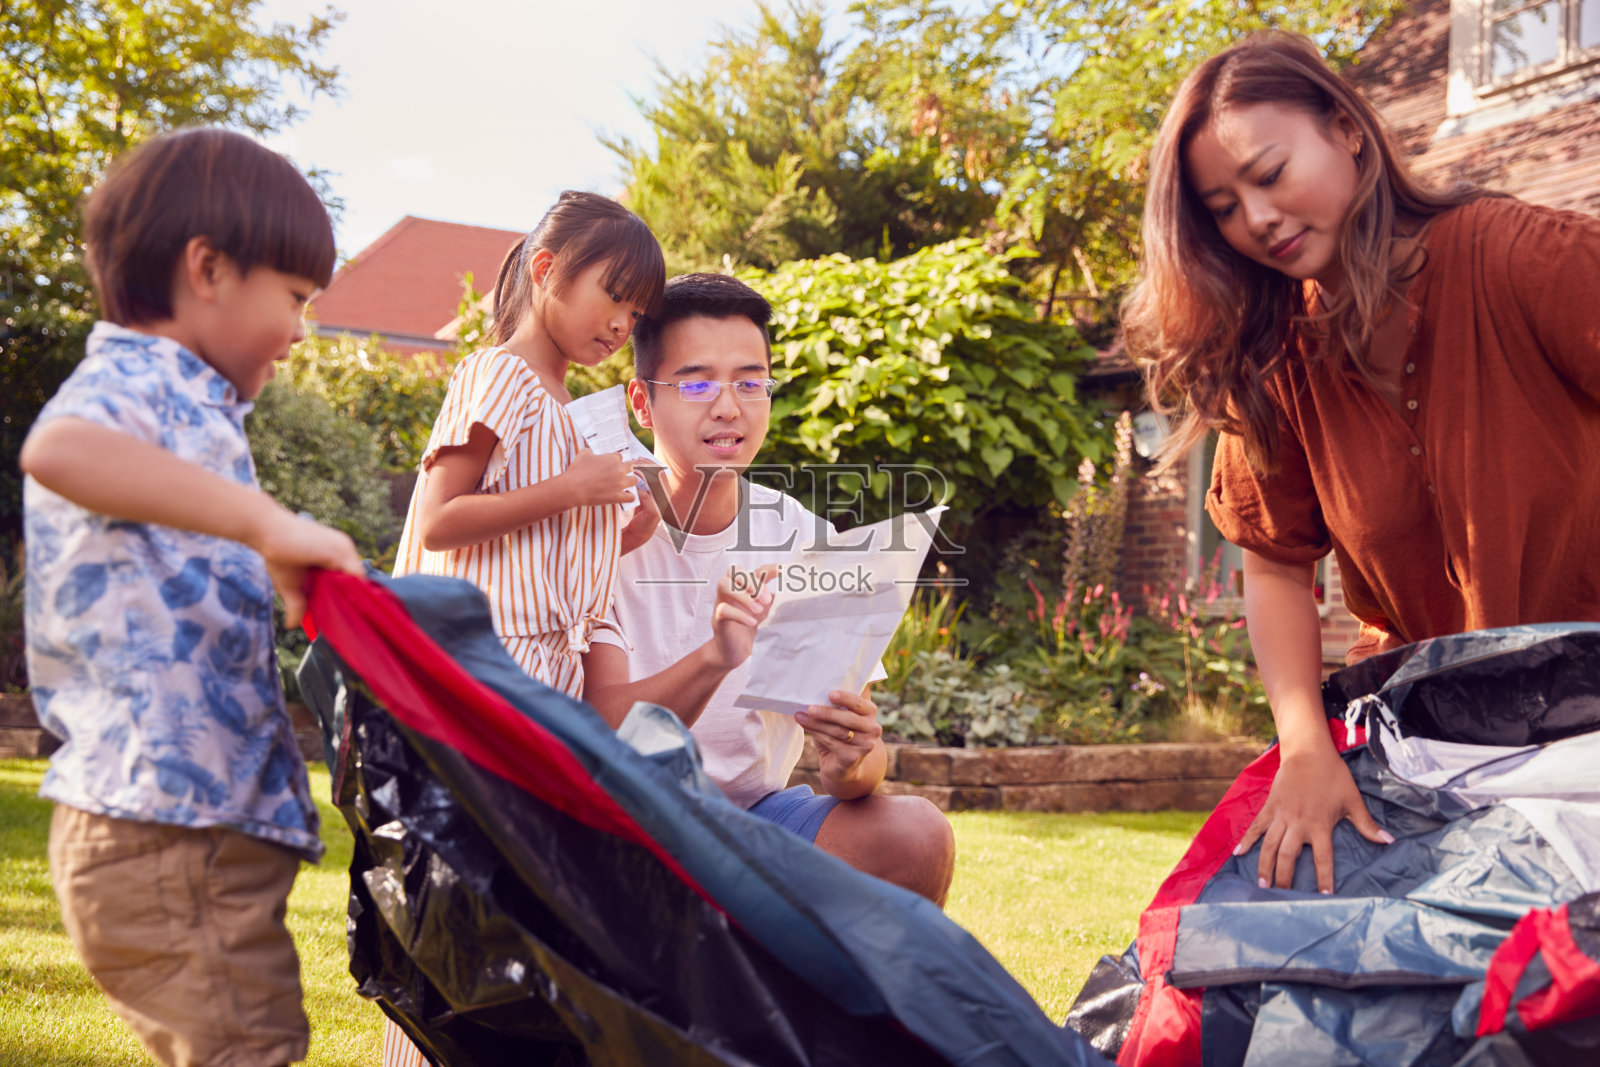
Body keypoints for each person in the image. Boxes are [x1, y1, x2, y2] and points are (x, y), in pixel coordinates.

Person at [1127, 31, 1600, 894]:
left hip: (1587, 725)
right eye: (1223, 208)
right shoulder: (1276, 358)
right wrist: (1305, 749)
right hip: (1426, 739)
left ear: (1346, 127)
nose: (1255, 219)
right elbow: (1273, 569)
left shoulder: (1527, 259)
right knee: (1230, 934)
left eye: (1267, 175)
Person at [19, 128, 366, 1067]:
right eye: (295, 298)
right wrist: (264, 524)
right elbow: (60, 451)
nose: (302, 331)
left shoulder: (198, 409)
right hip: (162, 833)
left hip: (188, 834)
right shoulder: (137, 378)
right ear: (207, 268)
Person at [584, 272, 957, 907]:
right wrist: (715, 657)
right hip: (622, 822)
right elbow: (604, 737)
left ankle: (811, 993)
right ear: (642, 403)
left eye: (750, 382)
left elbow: (860, 769)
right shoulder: (600, 531)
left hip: (752, 818)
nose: (727, 407)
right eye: (697, 382)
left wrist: (853, 761)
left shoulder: (804, 538)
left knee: (917, 835)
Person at [391, 191, 668, 697]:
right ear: (545, 269)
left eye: (635, 313)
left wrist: (622, 539)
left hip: (550, 676)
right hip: (484, 666)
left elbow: (534, 553)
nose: (622, 324)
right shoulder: (500, 374)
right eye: (614, 294)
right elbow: (438, 523)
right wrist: (572, 489)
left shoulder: (566, 407)